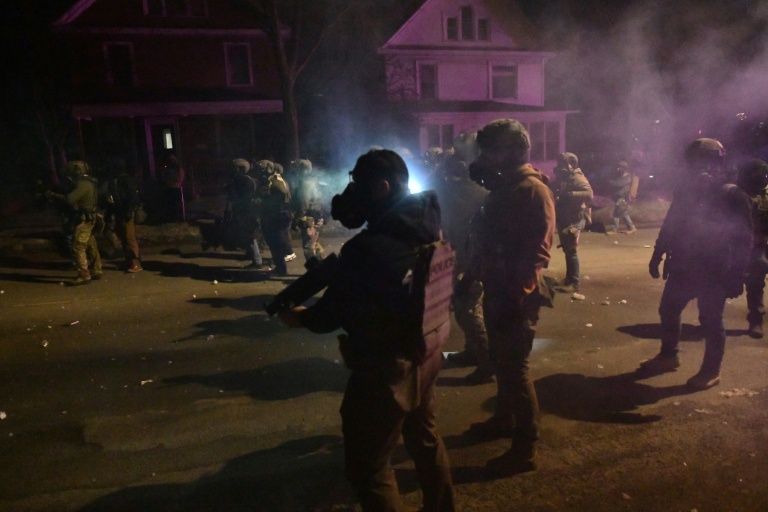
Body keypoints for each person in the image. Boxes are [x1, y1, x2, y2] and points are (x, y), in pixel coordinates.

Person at [277, 149, 455, 511]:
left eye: (358, 183)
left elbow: (329, 315)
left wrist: (301, 316)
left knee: (368, 467)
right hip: (426, 352)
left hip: (386, 370)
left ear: (382, 187)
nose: (351, 191)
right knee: (424, 439)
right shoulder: (427, 227)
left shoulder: (368, 248)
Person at [464, 119, 556, 477]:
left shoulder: (532, 190)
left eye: (491, 150)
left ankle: (526, 447)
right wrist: (472, 274)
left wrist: (518, 295)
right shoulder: (505, 187)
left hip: (515, 296)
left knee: (515, 370)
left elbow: (538, 252)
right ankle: (504, 420)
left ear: (513, 151)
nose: (484, 158)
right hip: (497, 289)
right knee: (502, 363)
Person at [639, 138, 753, 389]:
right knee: (668, 309)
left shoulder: (732, 194)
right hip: (684, 265)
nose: (696, 167)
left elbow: (744, 239)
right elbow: (671, 224)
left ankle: (711, 371)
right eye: (693, 162)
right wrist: (658, 253)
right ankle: (669, 356)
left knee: (710, 320)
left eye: (702, 161)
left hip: (715, 270)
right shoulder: (686, 192)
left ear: (717, 163)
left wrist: (737, 275)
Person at [435, 132, 494, 385]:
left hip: (470, 258)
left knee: (468, 310)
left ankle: (487, 362)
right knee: (465, 309)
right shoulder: (466, 187)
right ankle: (473, 351)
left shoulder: (474, 190)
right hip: (461, 254)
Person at [45, 160, 104, 285]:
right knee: (91, 244)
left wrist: (53, 195)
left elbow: (70, 199)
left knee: (78, 246)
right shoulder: (91, 182)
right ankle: (96, 270)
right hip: (91, 216)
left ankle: (84, 275)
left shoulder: (82, 184)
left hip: (84, 218)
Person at [551, 152, 593, 293]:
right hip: (565, 218)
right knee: (567, 250)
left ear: (572, 164)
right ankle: (569, 279)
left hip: (573, 219)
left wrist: (571, 195)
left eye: (563, 163)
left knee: (571, 252)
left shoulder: (577, 177)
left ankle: (574, 283)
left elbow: (589, 193)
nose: (560, 166)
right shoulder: (566, 177)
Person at [736, 158, 768, 338]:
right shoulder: (736, 193)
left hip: (759, 245)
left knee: (756, 281)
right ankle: (711, 318)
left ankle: (756, 319)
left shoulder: (766, 195)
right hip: (737, 245)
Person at [224, 159, 264, 270]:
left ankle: (257, 261)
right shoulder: (245, 179)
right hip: (247, 211)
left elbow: (243, 197)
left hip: (246, 212)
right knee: (248, 235)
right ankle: (251, 254)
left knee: (250, 236)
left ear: (240, 169)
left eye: (236, 168)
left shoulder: (243, 180)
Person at [104, 159, 143, 272]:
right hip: (119, 212)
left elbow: (132, 197)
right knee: (123, 237)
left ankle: (135, 263)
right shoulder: (115, 181)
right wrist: (109, 214)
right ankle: (129, 261)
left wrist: (129, 211)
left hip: (125, 212)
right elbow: (112, 199)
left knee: (129, 237)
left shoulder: (126, 180)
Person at [259, 160, 293, 276]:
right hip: (275, 214)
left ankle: (281, 269)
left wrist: (267, 202)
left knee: (275, 243)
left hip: (277, 215)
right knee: (274, 243)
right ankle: (280, 268)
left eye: (262, 170)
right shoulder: (273, 180)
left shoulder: (275, 181)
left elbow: (281, 195)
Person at [290, 159, 326, 264]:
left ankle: (314, 270)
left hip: (309, 218)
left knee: (308, 246)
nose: (296, 171)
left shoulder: (304, 183)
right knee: (314, 243)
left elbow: (304, 204)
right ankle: (323, 264)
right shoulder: (314, 180)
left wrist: (295, 220)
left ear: (303, 170)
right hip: (317, 216)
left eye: (298, 168)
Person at [606, 160, 637, 235]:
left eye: (620, 167)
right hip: (619, 197)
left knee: (616, 214)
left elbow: (618, 184)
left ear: (624, 168)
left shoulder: (627, 177)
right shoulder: (621, 176)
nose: (618, 169)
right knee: (624, 213)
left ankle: (614, 230)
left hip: (622, 198)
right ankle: (632, 228)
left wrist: (610, 182)